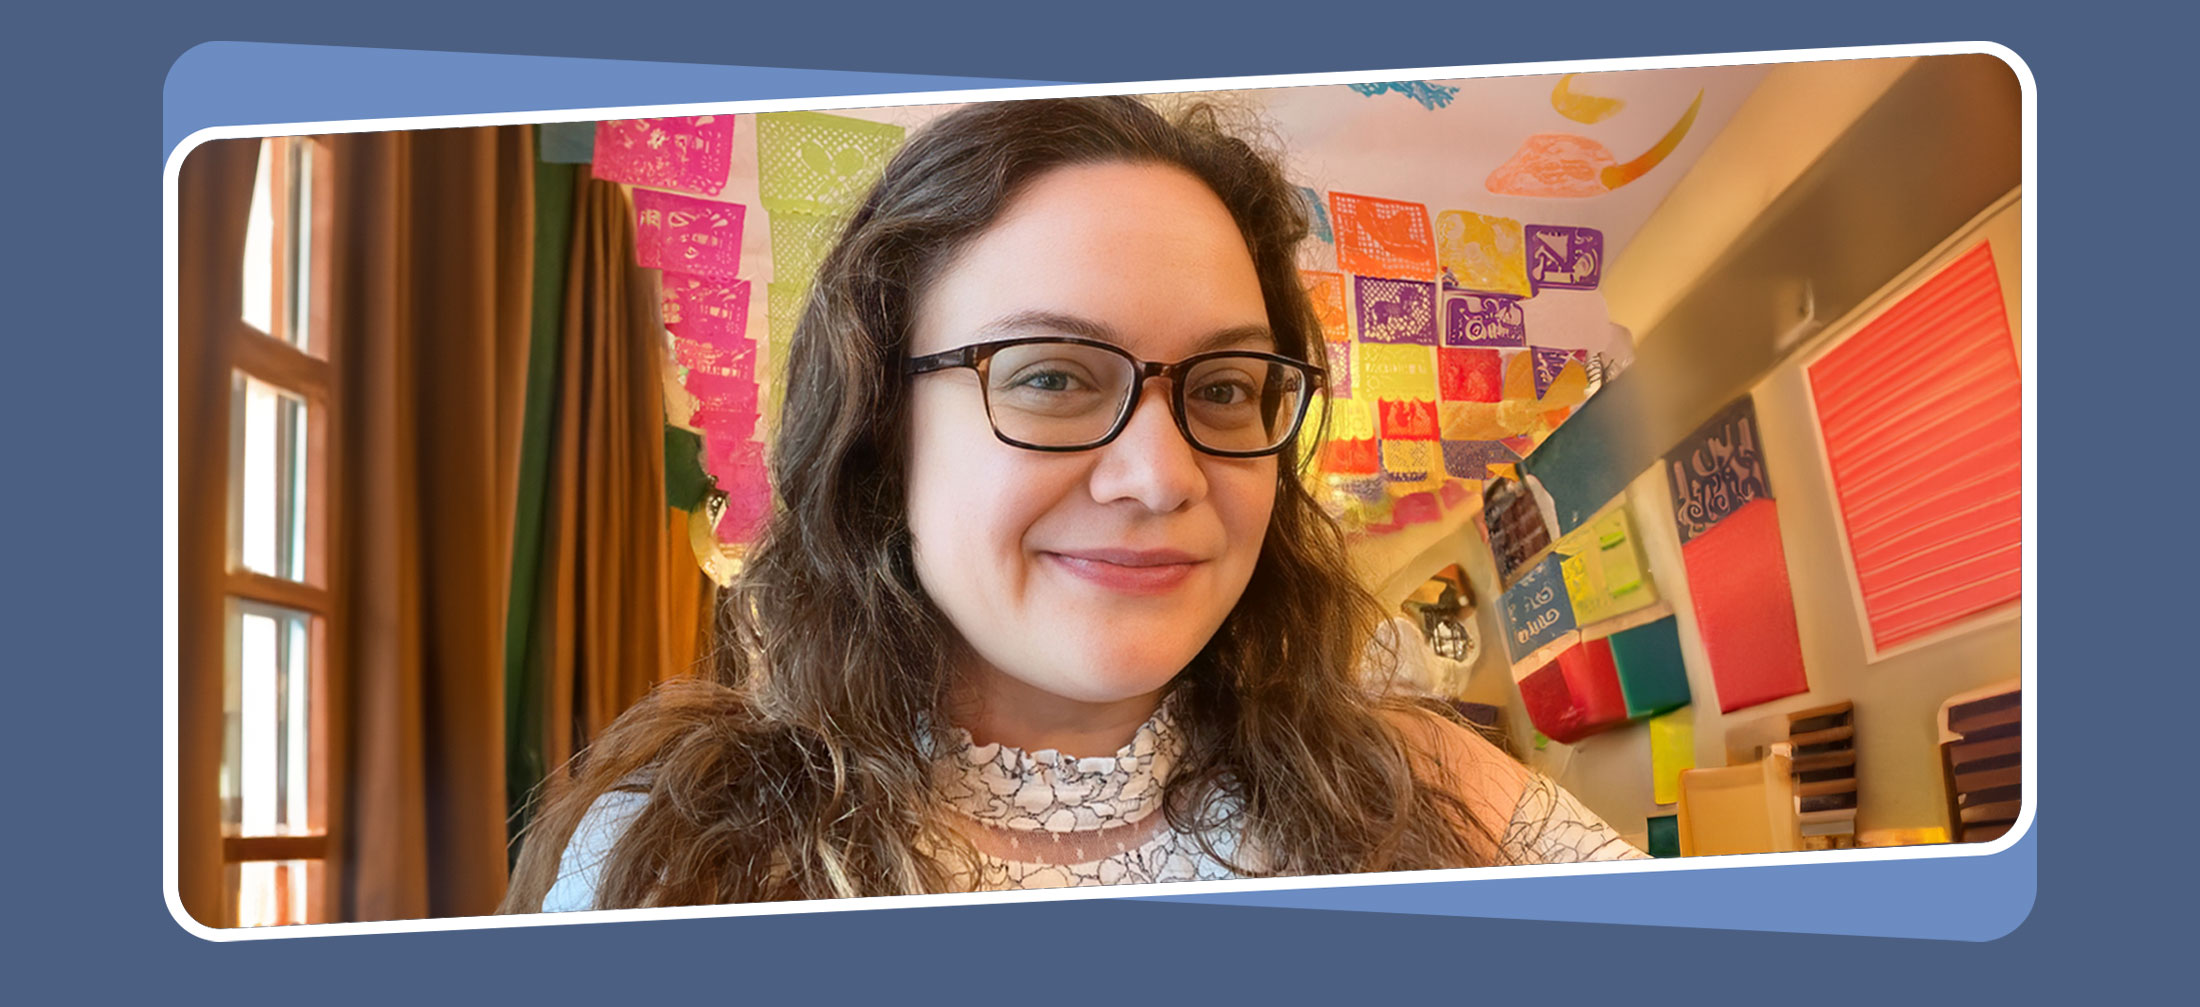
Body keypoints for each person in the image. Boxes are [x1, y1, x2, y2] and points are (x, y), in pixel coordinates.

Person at [502, 95, 1643, 913]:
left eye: (1227, 387)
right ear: (881, 435)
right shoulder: (681, 865)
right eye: (1051, 375)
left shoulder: (1438, 804)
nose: (1161, 475)